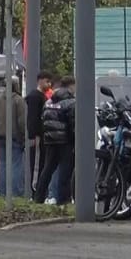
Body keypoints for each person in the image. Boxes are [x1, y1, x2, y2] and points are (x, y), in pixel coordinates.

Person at [35, 76, 76, 205]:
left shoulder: (49, 101)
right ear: (71, 86)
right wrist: (74, 141)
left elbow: (44, 120)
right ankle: (64, 199)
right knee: (65, 171)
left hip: (50, 140)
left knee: (47, 169)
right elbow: (73, 124)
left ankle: (39, 197)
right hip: (65, 141)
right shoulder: (71, 102)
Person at [0, 77, 28, 199]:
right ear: (16, 85)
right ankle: (15, 193)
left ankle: (2, 192)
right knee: (15, 164)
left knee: (3, 164)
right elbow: (22, 121)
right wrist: (24, 136)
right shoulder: (19, 101)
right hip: (14, 136)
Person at [26, 71, 53, 196]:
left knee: (41, 162)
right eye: (47, 81)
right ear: (40, 80)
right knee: (37, 163)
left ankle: (39, 191)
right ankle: (35, 190)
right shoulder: (35, 97)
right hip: (38, 136)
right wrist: (33, 135)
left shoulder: (41, 96)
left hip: (42, 135)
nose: (49, 84)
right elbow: (32, 118)